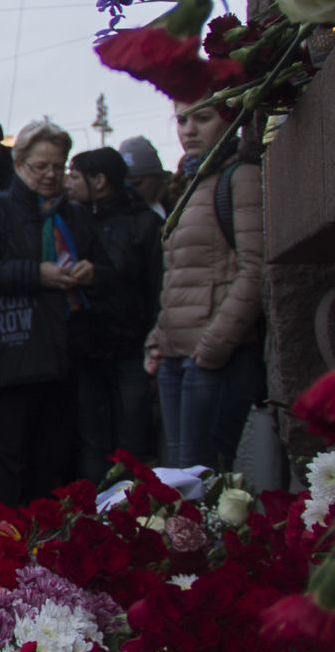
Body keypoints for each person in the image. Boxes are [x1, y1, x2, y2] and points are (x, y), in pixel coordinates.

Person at [0, 120, 113, 504]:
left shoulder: (75, 214)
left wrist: (92, 273)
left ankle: (49, 541)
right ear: (20, 164)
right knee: (11, 457)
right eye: (40, 166)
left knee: (57, 457)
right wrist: (35, 274)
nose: (50, 175)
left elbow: (110, 269)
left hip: (67, 349)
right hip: (15, 349)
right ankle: (12, 545)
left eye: (58, 167)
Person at [146, 104, 264, 470]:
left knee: (204, 475)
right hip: (175, 355)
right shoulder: (190, 183)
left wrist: (214, 345)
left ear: (230, 118)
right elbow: (180, 274)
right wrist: (158, 338)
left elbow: (255, 269)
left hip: (213, 358)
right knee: (181, 481)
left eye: (203, 117)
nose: (189, 130)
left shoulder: (240, 177)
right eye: (182, 120)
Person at [67, 147, 163, 478]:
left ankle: (131, 515)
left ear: (99, 180)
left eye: (74, 175)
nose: (68, 183)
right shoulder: (74, 218)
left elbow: (155, 283)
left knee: (131, 440)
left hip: (132, 344)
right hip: (88, 346)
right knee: (93, 441)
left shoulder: (145, 222)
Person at [117, 135, 169, 221]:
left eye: (136, 183)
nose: (129, 191)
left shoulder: (183, 206)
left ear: (158, 179)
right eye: (123, 184)